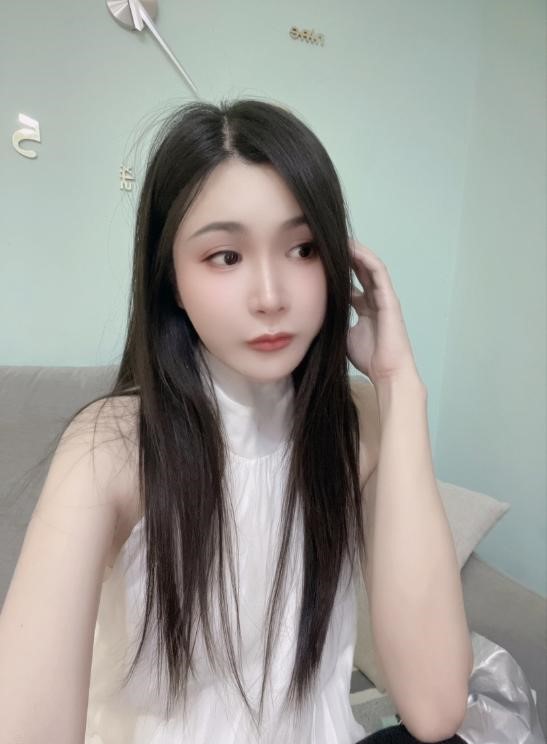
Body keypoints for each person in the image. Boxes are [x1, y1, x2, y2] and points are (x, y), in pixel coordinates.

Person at [0, 99, 472, 743]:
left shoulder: (356, 423)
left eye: (303, 249)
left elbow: (436, 707)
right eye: (225, 256)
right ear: (171, 277)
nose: (271, 296)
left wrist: (400, 386)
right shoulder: (112, 447)